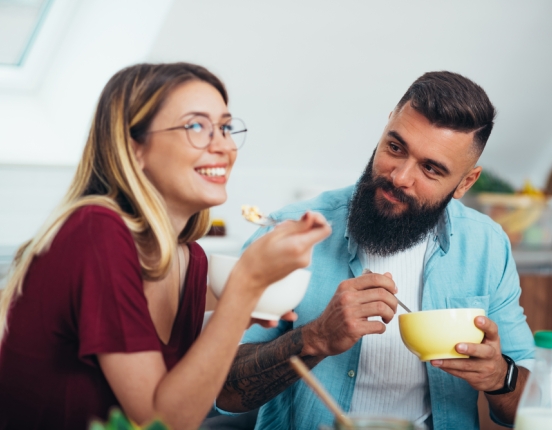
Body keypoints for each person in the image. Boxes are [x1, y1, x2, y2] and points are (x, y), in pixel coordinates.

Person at [0, 62, 331, 430]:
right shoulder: (95, 232)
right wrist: (244, 289)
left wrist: (248, 302)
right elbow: (161, 422)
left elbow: (184, 398)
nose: (223, 145)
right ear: (133, 148)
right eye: (196, 126)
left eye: (224, 127)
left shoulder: (191, 260)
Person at [216, 71, 536, 430]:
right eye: (395, 148)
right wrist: (316, 338)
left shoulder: (486, 245)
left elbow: (535, 406)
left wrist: (500, 377)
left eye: (430, 169)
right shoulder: (289, 232)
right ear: (386, 127)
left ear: (465, 182)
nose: (400, 176)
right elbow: (221, 390)